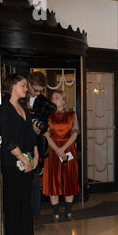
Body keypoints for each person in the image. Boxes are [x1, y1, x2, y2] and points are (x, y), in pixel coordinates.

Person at [0, 74, 38, 235]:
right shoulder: (4, 109)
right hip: (12, 164)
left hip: (28, 162)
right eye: (23, 85)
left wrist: (36, 156)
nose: (26, 88)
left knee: (25, 204)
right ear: (12, 86)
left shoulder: (24, 108)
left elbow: (31, 136)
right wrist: (24, 160)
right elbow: (7, 139)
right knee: (14, 205)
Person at [42, 90, 79, 223]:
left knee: (69, 180)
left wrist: (62, 149)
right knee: (54, 181)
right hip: (53, 151)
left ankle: (68, 212)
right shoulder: (48, 116)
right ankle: (56, 213)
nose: (54, 100)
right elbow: (46, 135)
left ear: (64, 101)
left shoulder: (72, 115)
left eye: (57, 98)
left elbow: (75, 134)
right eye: (52, 98)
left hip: (68, 150)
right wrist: (57, 149)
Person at [26, 71, 56, 230]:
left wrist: (38, 127)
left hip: (35, 146)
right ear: (28, 83)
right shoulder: (19, 97)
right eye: (35, 90)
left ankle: (36, 218)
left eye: (39, 91)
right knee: (21, 185)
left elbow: (46, 124)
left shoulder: (43, 101)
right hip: (19, 144)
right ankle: (22, 217)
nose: (37, 93)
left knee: (33, 185)